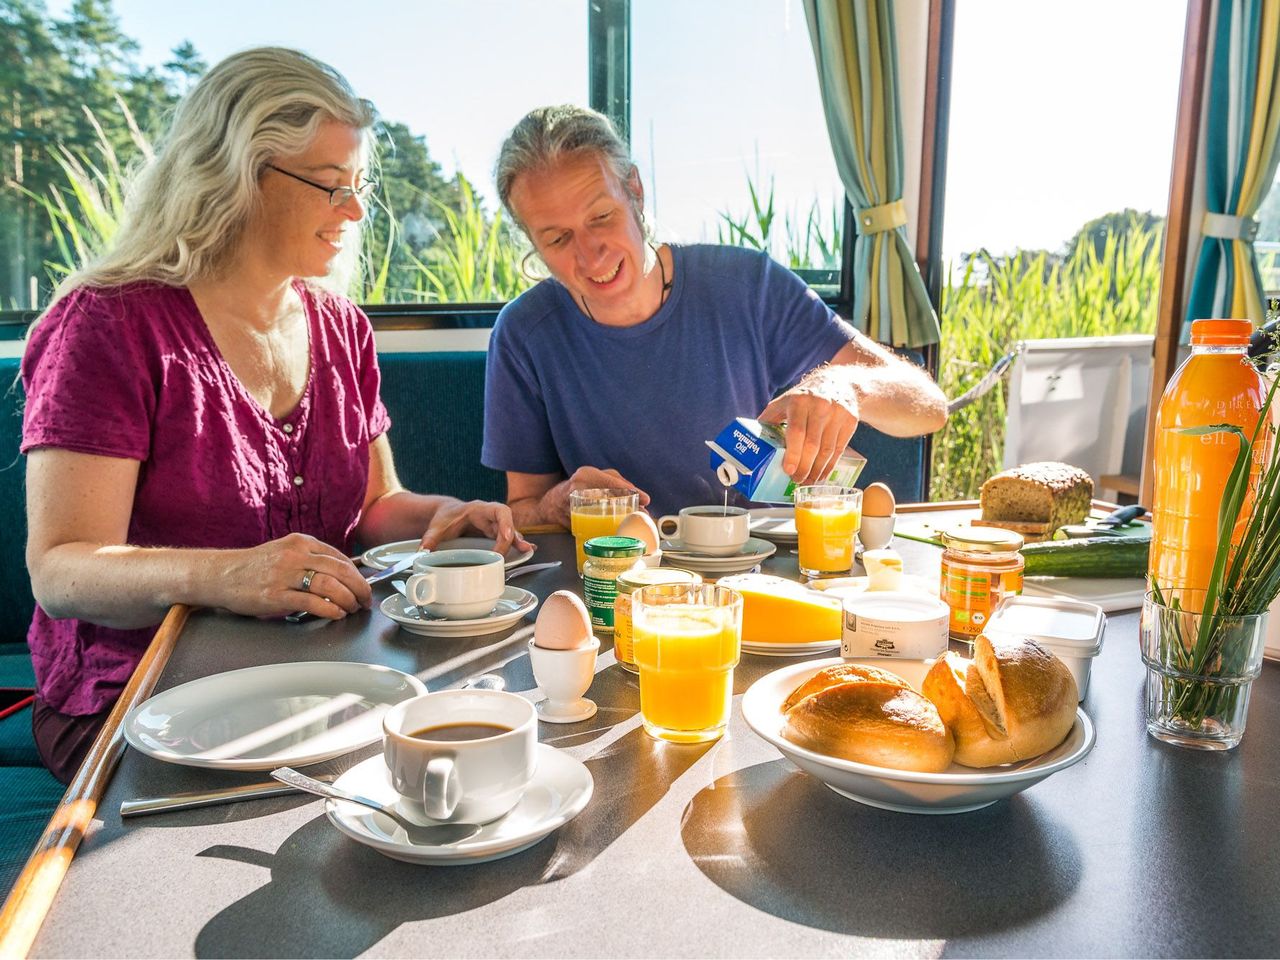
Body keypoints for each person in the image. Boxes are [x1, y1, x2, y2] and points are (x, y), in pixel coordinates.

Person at [21, 47, 530, 783]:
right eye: (331, 187)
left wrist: (445, 516)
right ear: (235, 174)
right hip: (140, 695)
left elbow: (373, 508)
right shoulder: (109, 325)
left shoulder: (341, 327)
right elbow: (61, 569)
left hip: (313, 675)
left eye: (358, 188)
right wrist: (229, 576)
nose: (353, 212)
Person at [482, 104, 948, 525]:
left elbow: (928, 407)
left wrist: (846, 385)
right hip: (617, 577)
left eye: (600, 216)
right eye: (557, 239)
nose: (590, 255)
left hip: (757, 570)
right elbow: (523, 507)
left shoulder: (747, 285)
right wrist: (557, 502)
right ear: (534, 246)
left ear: (635, 192)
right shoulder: (524, 334)